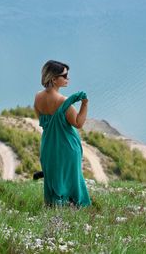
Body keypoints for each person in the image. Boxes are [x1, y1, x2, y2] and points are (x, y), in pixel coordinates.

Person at [33, 60, 91, 207]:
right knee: (72, 179)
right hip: (66, 148)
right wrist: (84, 104)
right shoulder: (63, 101)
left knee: (53, 178)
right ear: (53, 79)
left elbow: (43, 122)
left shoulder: (38, 97)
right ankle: (75, 207)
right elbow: (78, 123)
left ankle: (54, 206)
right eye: (64, 76)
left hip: (48, 147)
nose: (67, 79)